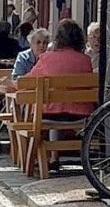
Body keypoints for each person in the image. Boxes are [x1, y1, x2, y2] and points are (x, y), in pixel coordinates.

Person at [25, 19, 96, 170]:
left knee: (54, 104)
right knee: (61, 103)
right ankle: (63, 155)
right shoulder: (85, 60)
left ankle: (52, 157)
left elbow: (28, 82)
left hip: (50, 114)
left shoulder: (47, 58)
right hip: (81, 114)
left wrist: (10, 83)